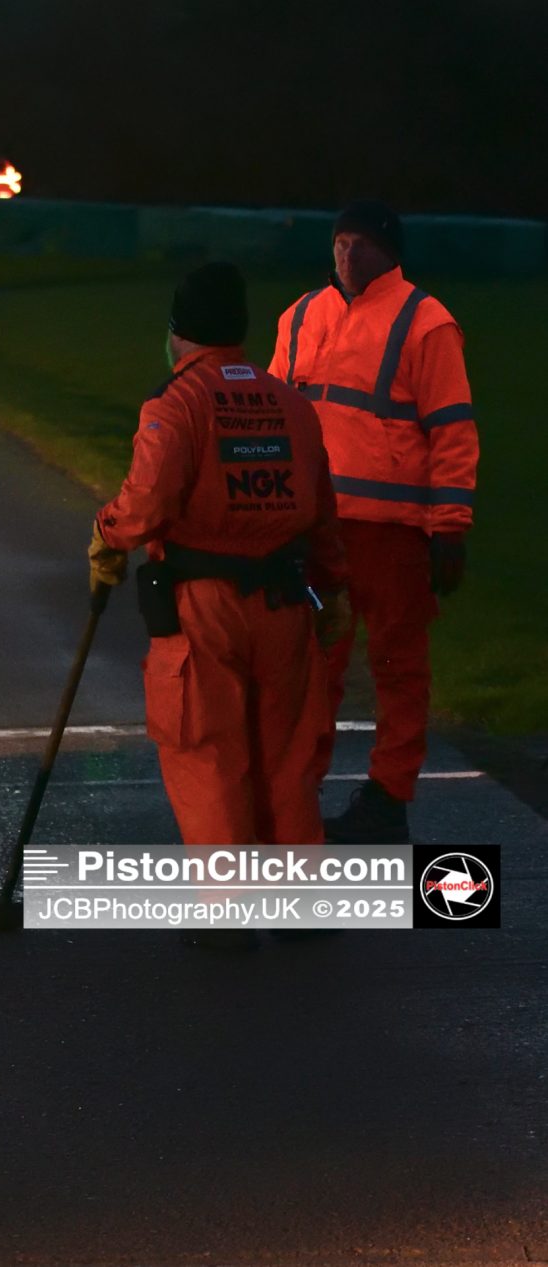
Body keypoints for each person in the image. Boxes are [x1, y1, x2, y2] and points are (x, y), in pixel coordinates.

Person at [89, 263, 351, 845]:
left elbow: (146, 505)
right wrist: (333, 589)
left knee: (206, 754)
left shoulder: (176, 405)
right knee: (286, 759)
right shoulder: (291, 405)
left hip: (201, 608)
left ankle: (227, 913)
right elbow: (323, 509)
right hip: (286, 604)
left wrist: (107, 535)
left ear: (177, 331)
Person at [269, 201, 479, 843]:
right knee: (313, 668)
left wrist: (450, 525)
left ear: (390, 252)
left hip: (392, 532)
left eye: (359, 244)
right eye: (339, 242)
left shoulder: (427, 321)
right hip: (317, 529)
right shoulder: (301, 316)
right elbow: (276, 414)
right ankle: (300, 796)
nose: (346, 254)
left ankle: (389, 797)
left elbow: (451, 430)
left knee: (397, 665)